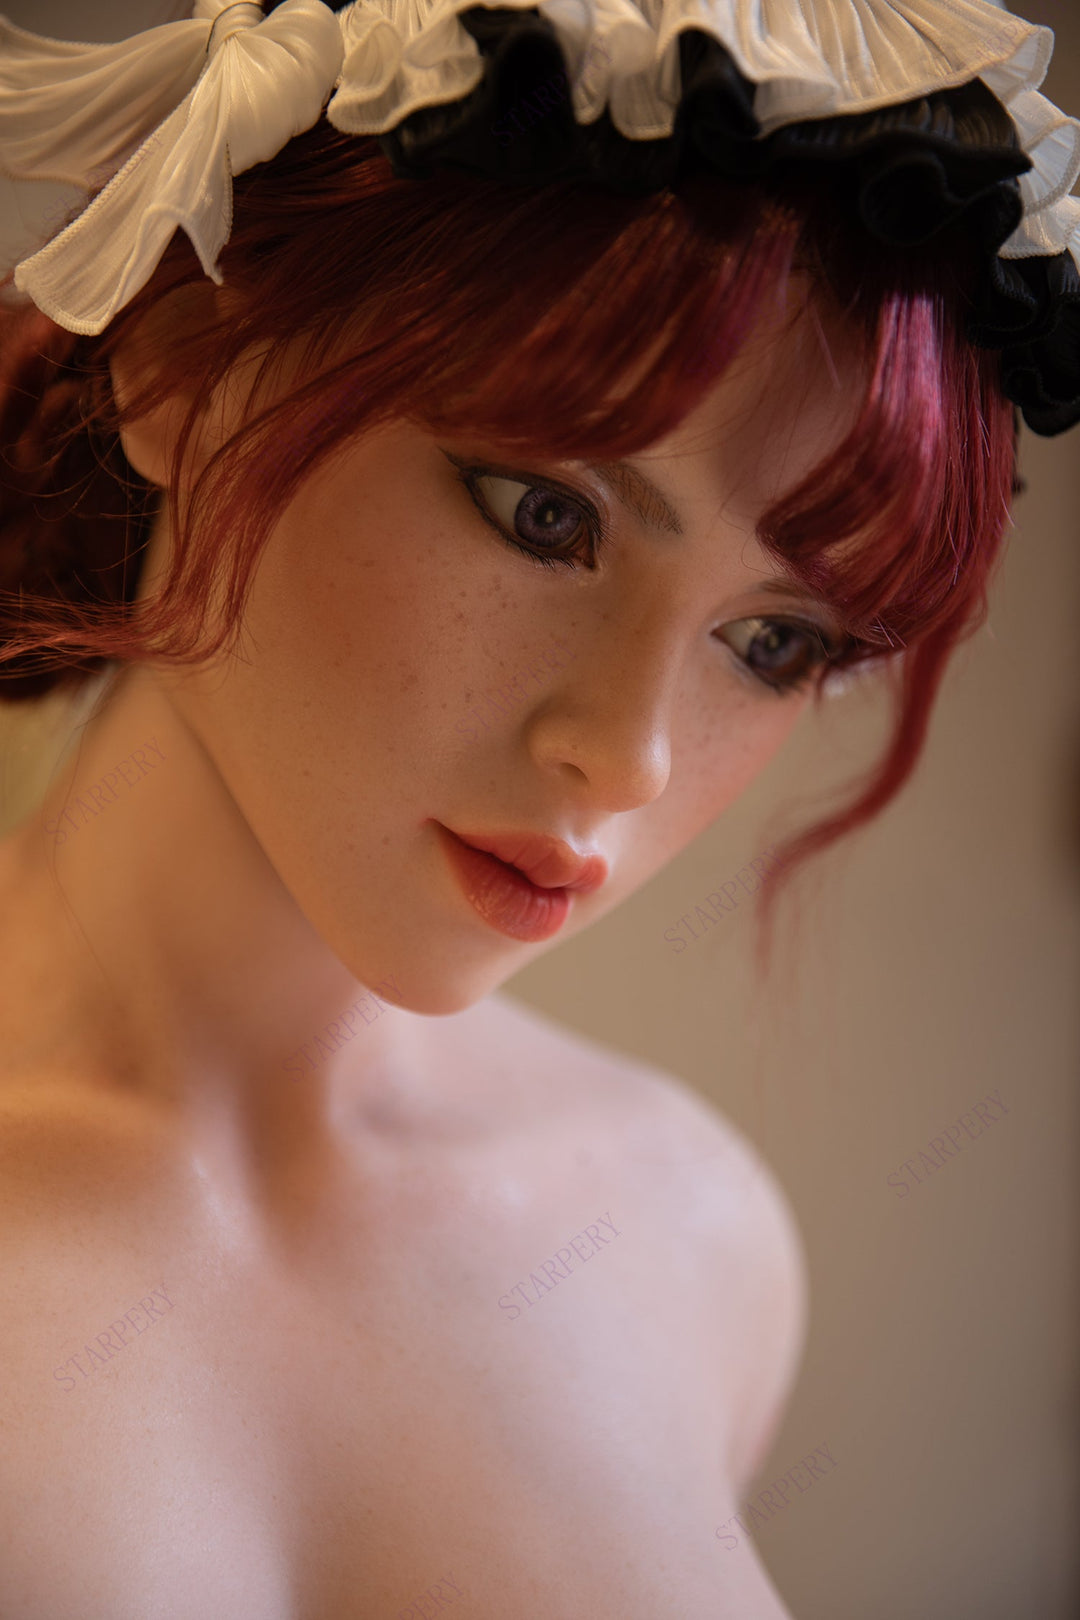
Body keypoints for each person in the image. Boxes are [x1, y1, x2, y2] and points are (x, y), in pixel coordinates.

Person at [0, 2, 1077, 1616]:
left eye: (775, 644)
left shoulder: (693, 1235)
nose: (629, 757)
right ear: (175, 364)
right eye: (544, 514)